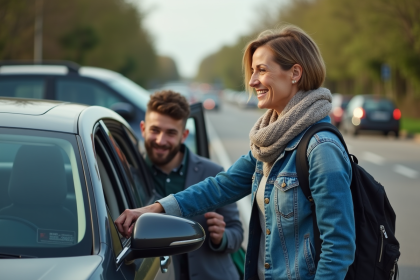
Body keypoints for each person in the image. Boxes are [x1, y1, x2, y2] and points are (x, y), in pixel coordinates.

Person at [116, 25, 355, 280]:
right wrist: (154, 209)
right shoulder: (272, 141)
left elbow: (339, 246)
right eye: (253, 71)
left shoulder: (321, 148)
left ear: (295, 72)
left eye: (261, 70)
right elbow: (220, 187)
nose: (252, 82)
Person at [138, 90, 243, 280]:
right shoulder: (130, 173)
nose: (161, 141)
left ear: (184, 135)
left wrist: (222, 236)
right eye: (155, 130)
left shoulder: (213, 173)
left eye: (171, 133)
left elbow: (237, 232)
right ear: (143, 128)